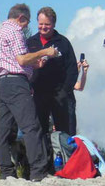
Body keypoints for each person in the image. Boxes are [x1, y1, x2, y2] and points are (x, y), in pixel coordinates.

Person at [0, 3, 58, 181]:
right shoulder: (15, 31)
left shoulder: (1, 33)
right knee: (31, 126)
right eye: (27, 22)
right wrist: (45, 52)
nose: (27, 26)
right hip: (15, 83)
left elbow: (13, 59)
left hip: (2, 82)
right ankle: (39, 171)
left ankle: (7, 172)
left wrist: (34, 63)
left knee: (4, 130)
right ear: (21, 18)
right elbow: (21, 59)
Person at [26, 7, 78, 135]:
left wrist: (65, 91)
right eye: (40, 24)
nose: (43, 27)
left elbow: (72, 70)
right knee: (38, 132)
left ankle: (64, 155)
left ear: (54, 24)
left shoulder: (63, 43)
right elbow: (23, 67)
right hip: (38, 94)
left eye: (47, 24)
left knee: (64, 132)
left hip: (59, 95)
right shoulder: (30, 42)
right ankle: (43, 155)